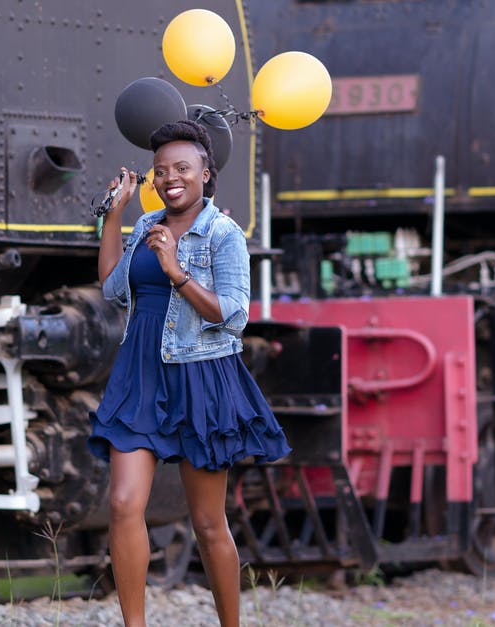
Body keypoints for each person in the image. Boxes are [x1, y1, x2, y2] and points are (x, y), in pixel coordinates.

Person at [89, 119, 291, 627]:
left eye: (182, 167)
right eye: (161, 171)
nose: (170, 177)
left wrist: (177, 270)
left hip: (201, 378)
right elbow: (115, 291)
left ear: (205, 172)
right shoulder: (146, 226)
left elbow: (233, 314)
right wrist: (114, 217)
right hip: (140, 373)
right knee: (122, 502)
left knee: (207, 522)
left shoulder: (223, 234)